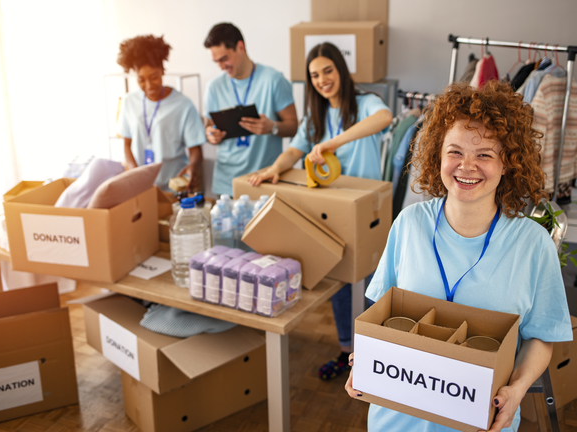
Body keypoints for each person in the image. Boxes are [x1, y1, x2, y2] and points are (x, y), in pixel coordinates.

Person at [344, 80, 573, 432]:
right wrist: (364, 360)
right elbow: (379, 316)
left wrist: (518, 388)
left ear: (508, 163)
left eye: (484, 155)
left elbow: (542, 336)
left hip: (478, 422)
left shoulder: (532, 245)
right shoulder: (408, 224)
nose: (467, 166)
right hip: (396, 420)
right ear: (438, 154)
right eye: (455, 152)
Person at [249, 42, 393, 380]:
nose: (322, 79)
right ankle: (348, 352)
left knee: (372, 285)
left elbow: (385, 117)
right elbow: (294, 150)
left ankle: (377, 360)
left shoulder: (365, 103)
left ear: (340, 70)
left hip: (366, 212)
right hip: (332, 210)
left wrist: (334, 142)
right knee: (342, 283)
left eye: (328, 70)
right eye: (314, 75)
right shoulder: (315, 115)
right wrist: (275, 167)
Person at [203, 23, 298, 196]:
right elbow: (208, 128)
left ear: (240, 47)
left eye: (224, 59)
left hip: (264, 180)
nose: (221, 66)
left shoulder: (273, 80)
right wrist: (211, 135)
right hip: (226, 184)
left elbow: (293, 127)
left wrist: (272, 128)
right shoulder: (213, 87)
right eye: (216, 61)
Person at [116, 35, 206, 192]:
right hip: (142, 187)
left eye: (154, 77)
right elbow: (126, 143)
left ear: (163, 71)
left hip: (174, 186)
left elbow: (195, 149)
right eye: (141, 80)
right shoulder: (129, 102)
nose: (149, 85)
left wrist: (192, 166)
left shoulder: (183, 104)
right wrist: (135, 172)